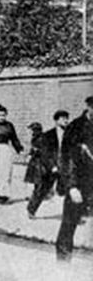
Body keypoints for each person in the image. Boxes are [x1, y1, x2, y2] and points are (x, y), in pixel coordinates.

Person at [56, 96, 93, 261]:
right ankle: (63, 265)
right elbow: (67, 158)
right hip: (80, 184)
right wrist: (72, 186)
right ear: (89, 107)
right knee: (69, 224)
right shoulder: (76, 127)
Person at [25, 112, 69, 219]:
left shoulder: (70, 133)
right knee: (43, 189)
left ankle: (70, 214)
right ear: (56, 121)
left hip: (65, 165)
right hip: (52, 166)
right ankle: (31, 210)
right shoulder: (48, 135)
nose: (66, 121)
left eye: (67, 118)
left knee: (70, 189)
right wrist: (52, 166)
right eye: (63, 119)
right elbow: (45, 153)